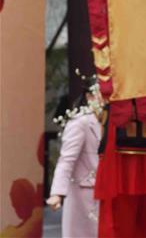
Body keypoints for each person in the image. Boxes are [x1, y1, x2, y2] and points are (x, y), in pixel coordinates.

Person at [47, 85, 103, 238]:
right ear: (89, 97)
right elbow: (66, 160)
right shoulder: (80, 123)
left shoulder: (112, 123)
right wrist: (58, 193)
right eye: (101, 94)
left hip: (107, 193)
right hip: (83, 195)